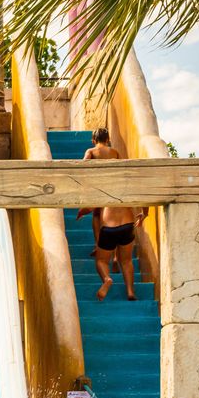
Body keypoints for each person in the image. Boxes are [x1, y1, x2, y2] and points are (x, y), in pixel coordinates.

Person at [76, 128, 148, 301]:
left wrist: (82, 210)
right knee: (127, 261)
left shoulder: (91, 152)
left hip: (108, 227)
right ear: (108, 138)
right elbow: (142, 196)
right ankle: (130, 291)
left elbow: (83, 168)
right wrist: (143, 214)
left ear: (93, 140)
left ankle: (107, 279)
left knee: (101, 261)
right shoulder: (116, 158)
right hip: (127, 225)